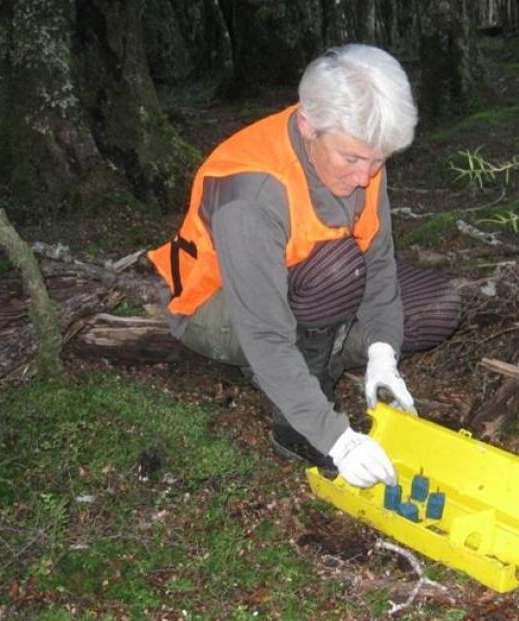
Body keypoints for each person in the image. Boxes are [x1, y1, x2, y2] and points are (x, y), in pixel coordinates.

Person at [148, 44, 461, 489]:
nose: (366, 176)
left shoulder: (361, 152)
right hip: (211, 310)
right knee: (334, 271)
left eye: (379, 161)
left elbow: (378, 260)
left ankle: (310, 368)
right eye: (352, 159)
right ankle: (296, 423)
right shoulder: (252, 195)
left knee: (435, 306)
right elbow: (266, 333)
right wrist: (336, 438)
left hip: (302, 286)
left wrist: (382, 352)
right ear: (307, 125)